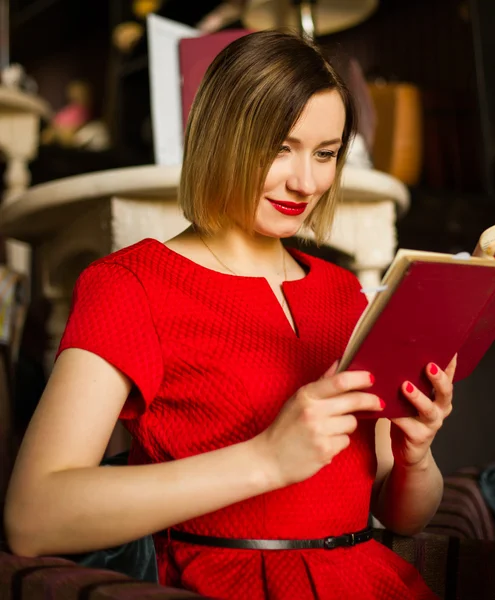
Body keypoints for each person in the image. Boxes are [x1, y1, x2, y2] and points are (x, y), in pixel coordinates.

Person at [4, 31, 456, 600]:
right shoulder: (131, 285)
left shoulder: (346, 295)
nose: (307, 182)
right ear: (223, 139)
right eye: (279, 147)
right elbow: (33, 516)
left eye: (325, 153)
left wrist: (418, 453)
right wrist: (266, 460)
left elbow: (405, 518)